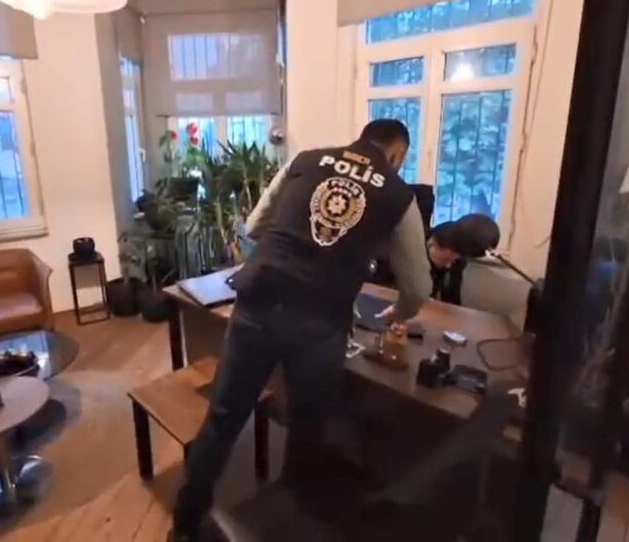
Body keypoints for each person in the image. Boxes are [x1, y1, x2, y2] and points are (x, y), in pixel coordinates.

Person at [171, 119, 433, 541]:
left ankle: (185, 525)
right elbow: (418, 286)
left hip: (258, 301)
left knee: (222, 419)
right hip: (318, 322)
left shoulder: (305, 160)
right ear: (397, 154)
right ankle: (285, 523)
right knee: (307, 428)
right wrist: (397, 314)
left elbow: (254, 226)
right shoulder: (399, 194)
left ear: (361, 138)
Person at [426, 221, 467, 305]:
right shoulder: (414, 255)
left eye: (453, 260)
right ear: (430, 243)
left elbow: (453, 299)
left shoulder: (457, 262)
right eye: (445, 260)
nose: (448, 265)